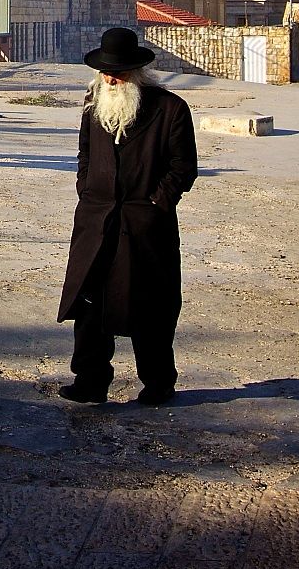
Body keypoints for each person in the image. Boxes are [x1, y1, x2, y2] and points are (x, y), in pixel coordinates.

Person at [57, 27, 198, 407]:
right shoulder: (93, 102)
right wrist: (86, 190)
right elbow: (84, 154)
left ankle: (158, 384)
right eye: (105, 72)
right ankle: (90, 380)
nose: (110, 78)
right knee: (90, 303)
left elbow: (183, 167)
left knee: (150, 306)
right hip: (96, 221)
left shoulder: (170, 109)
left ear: (136, 72)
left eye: (117, 72)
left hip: (144, 225)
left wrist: (156, 203)